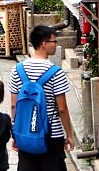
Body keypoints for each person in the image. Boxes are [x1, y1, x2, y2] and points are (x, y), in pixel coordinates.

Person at [8, 25, 76, 171]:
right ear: (44, 44)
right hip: (51, 133)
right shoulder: (56, 72)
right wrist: (69, 134)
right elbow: (62, 108)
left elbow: (14, 105)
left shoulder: (17, 70)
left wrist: (16, 133)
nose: (56, 45)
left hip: (25, 132)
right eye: (54, 41)